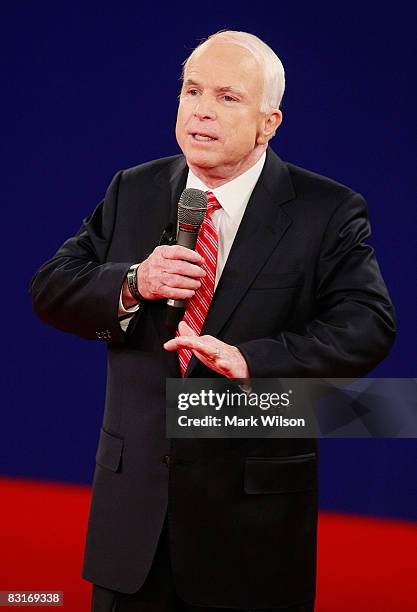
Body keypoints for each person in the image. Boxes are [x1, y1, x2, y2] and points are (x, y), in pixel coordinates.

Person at [30, 30, 396, 612]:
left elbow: (368, 325)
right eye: (191, 90)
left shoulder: (327, 210)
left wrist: (258, 360)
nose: (200, 109)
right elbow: (51, 288)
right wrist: (132, 282)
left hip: (251, 532)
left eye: (227, 97)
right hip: (133, 526)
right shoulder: (135, 187)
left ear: (268, 122)